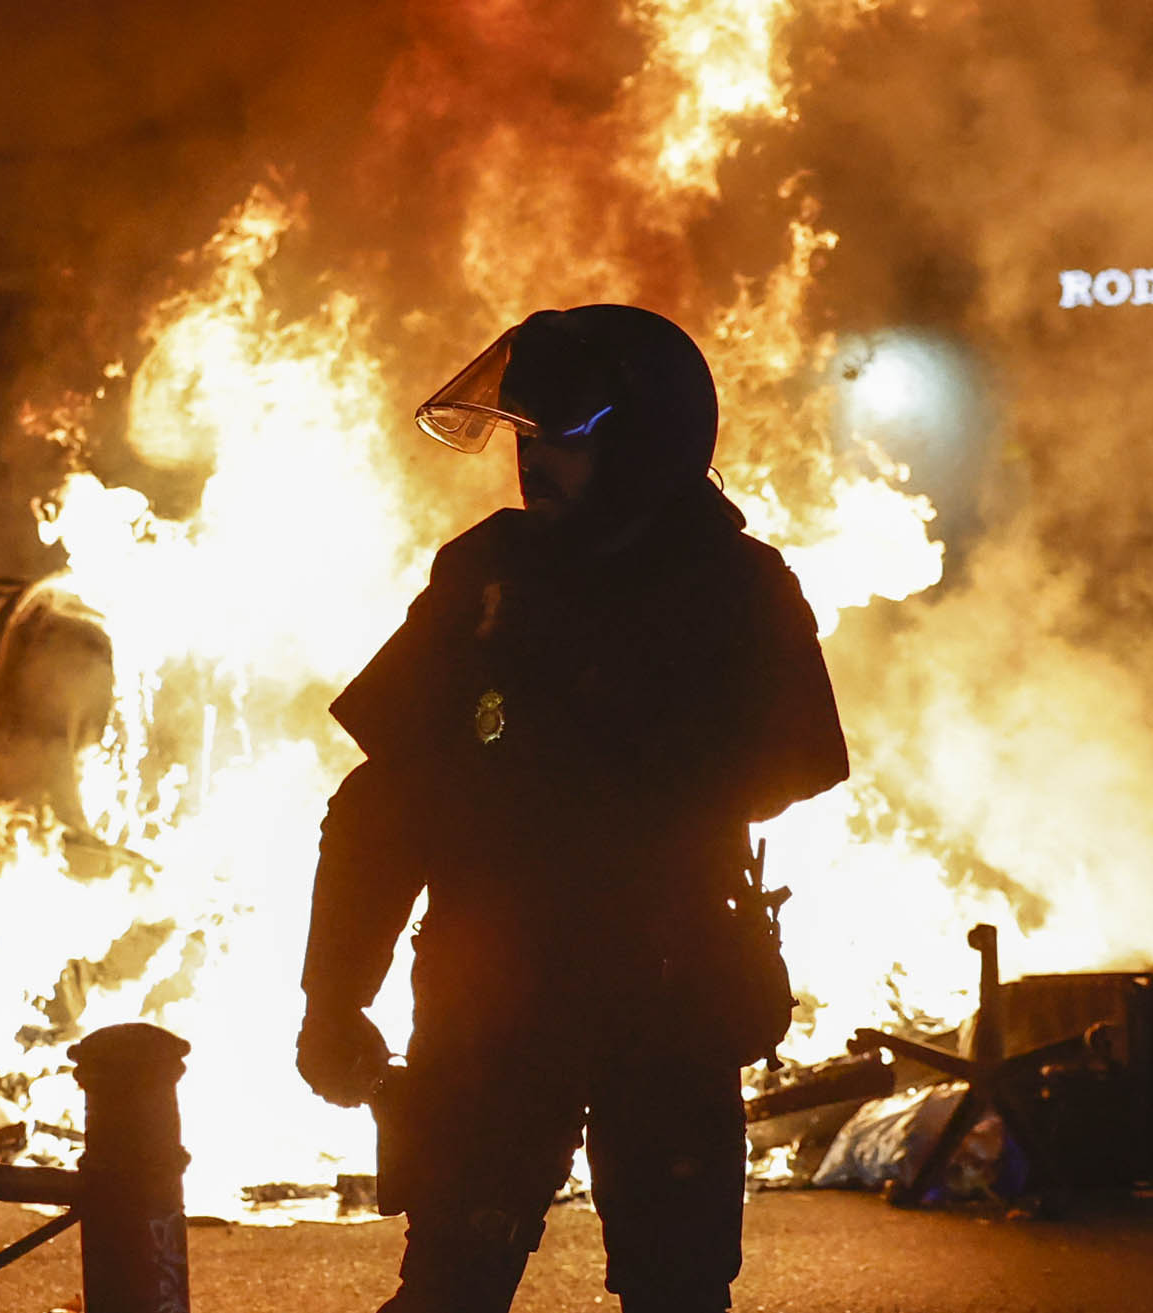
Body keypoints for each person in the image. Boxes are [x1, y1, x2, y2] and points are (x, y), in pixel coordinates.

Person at [296, 304, 849, 1313]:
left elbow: (801, 756)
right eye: (524, 434)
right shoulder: (486, 579)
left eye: (563, 437)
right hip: (490, 994)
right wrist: (332, 994)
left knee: (676, 1290)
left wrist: (622, 773)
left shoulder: (734, 586)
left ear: (644, 441)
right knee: (450, 1286)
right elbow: (385, 806)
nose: (531, 461)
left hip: (667, 988)